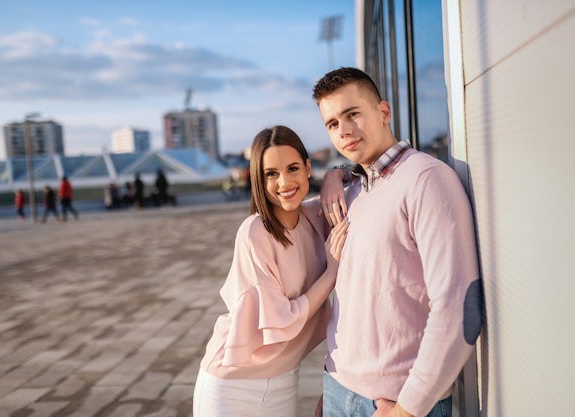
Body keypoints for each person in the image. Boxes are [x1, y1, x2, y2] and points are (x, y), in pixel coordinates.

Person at [312, 67, 482, 417]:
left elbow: (458, 308)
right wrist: (334, 384)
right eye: (332, 124)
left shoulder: (426, 180)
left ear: (384, 112)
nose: (343, 130)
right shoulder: (353, 192)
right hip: (338, 390)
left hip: (396, 405)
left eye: (352, 114)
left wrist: (408, 409)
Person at [192, 125, 349, 417]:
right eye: (271, 174)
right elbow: (282, 319)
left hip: (285, 381)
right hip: (231, 387)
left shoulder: (315, 218)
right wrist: (331, 273)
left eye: (292, 169)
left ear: (307, 168)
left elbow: (361, 178)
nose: (284, 182)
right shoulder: (255, 232)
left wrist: (334, 174)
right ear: (259, 180)